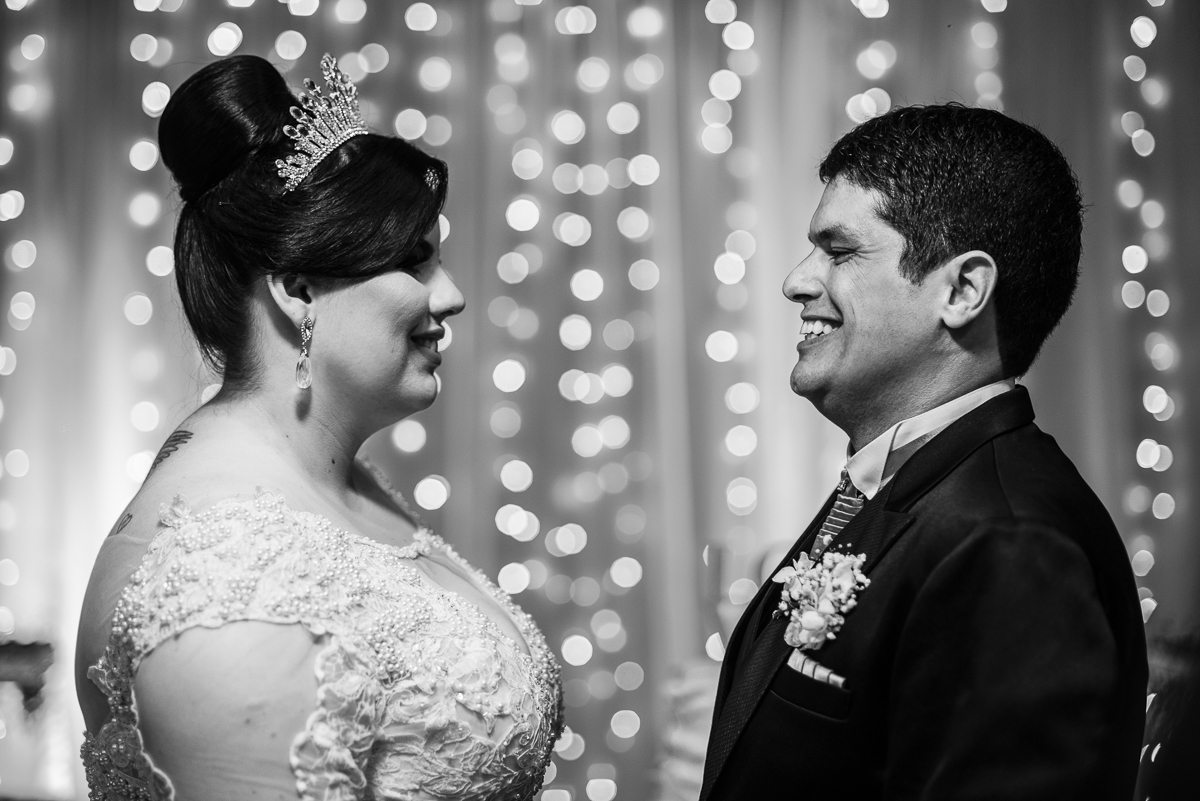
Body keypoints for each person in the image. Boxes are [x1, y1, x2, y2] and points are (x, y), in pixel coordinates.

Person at [75, 54, 562, 801]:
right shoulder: (230, 585)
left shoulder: (331, 479)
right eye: (415, 260)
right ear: (298, 288)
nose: (454, 295)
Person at [701, 104, 1147, 800]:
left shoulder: (1006, 541)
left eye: (840, 251)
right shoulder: (902, 487)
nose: (797, 279)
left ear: (963, 289)